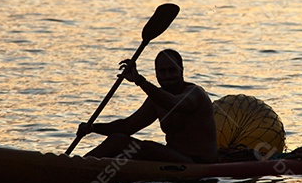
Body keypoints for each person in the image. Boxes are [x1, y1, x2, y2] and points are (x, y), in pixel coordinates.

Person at [77, 49, 218, 163]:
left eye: (172, 70)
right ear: (156, 74)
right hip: (174, 158)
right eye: (162, 72)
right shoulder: (156, 98)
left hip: (199, 162)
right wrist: (93, 128)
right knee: (117, 139)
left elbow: (173, 104)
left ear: (181, 70)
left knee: (145, 147)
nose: (168, 75)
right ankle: (78, 165)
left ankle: (92, 169)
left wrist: (139, 81)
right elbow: (127, 127)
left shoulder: (194, 93)